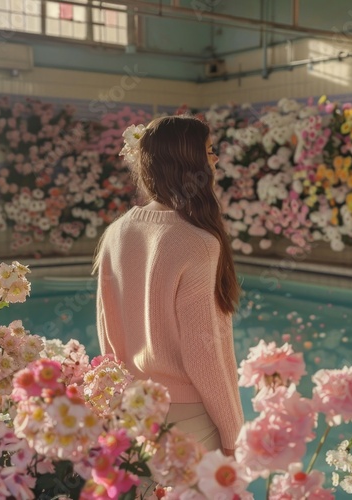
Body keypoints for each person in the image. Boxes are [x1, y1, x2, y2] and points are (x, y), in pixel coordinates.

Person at [93, 115, 244, 458]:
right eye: (208, 151)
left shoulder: (116, 233)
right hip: (187, 422)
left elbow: (108, 333)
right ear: (187, 161)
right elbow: (205, 353)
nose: (215, 159)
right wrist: (235, 434)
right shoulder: (198, 242)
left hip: (132, 414)